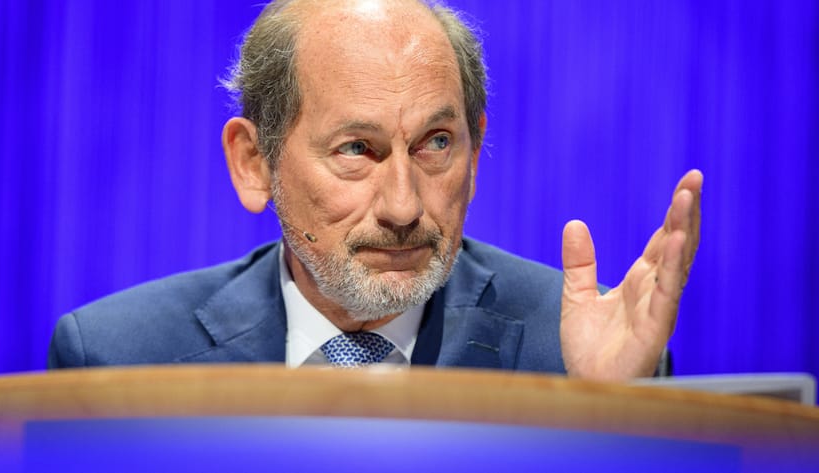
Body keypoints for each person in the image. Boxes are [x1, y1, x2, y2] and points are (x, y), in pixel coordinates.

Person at [48, 0, 702, 380]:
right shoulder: (118, 361)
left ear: (475, 151)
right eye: (357, 149)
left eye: (435, 143)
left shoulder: (573, 352)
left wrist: (614, 417)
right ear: (254, 162)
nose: (403, 207)